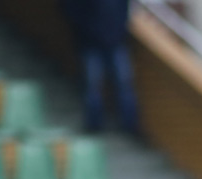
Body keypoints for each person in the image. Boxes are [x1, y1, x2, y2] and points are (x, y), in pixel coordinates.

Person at [60, 0, 141, 135]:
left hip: (116, 41)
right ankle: (94, 126)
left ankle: (130, 126)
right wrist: (88, 32)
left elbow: (125, 10)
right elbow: (72, 11)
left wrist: (119, 31)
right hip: (90, 43)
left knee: (124, 83)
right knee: (92, 85)